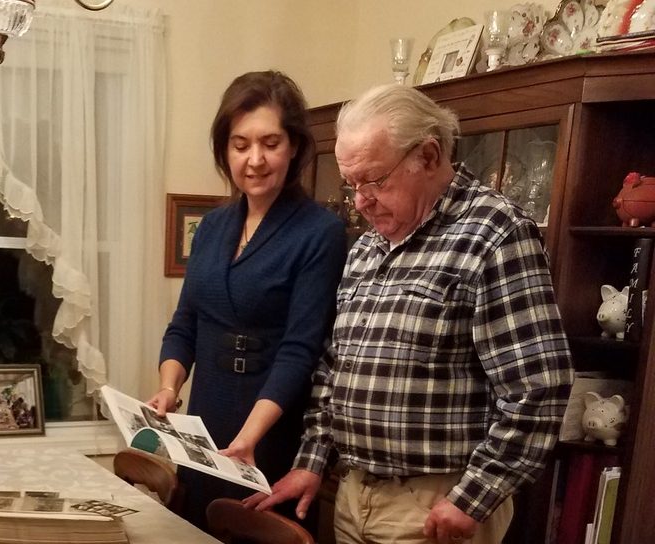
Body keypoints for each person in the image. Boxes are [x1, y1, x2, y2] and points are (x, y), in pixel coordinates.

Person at [246, 83, 574, 544]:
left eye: (375, 180)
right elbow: (333, 368)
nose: (360, 201)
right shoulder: (367, 247)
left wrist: (473, 497)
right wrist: (312, 461)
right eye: (352, 184)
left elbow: (539, 386)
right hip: (354, 492)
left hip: (435, 502)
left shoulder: (494, 234)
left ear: (429, 155)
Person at [146, 70, 347, 531]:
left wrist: (248, 440)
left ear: (294, 146)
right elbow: (185, 323)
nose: (254, 159)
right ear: (225, 150)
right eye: (240, 145)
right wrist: (169, 387)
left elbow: (301, 349)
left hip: (269, 430)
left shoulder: (320, 233)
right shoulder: (213, 227)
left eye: (270, 143)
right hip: (206, 418)